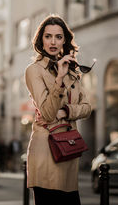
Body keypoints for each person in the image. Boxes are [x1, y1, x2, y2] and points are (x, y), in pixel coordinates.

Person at [24, 15, 92, 205]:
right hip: (45, 150)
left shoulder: (73, 72)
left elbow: (87, 108)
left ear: (65, 40)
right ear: (41, 40)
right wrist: (59, 79)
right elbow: (46, 113)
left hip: (69, 149)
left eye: (58, 37)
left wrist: (66, 112)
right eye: (48, 36)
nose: (53, 42)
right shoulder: (34, 70)